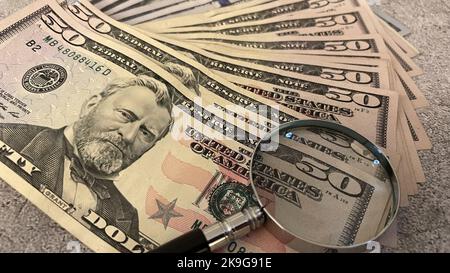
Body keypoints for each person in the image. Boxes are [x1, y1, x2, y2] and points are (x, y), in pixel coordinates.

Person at [0, 74, 174, 251]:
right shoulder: (6, 137)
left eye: (145, 133)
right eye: (125, 115)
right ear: (91, 106)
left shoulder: (126, 216)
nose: (129, 136)